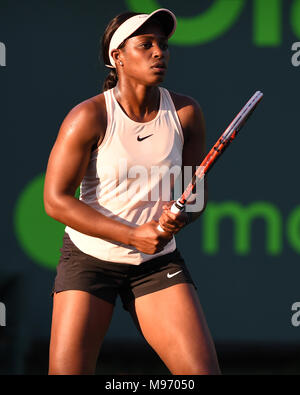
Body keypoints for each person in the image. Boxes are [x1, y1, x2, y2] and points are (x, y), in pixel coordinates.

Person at [44, 8, 221, 375]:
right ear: (117, 57)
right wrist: (131, 234)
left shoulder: (186, 113)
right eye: (145, 45)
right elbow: (55, 200)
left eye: (163, 45)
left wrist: (180, 218)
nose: (159, 52)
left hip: (156, 266)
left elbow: (196, 193)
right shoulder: (88, 117)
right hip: (89, 260)